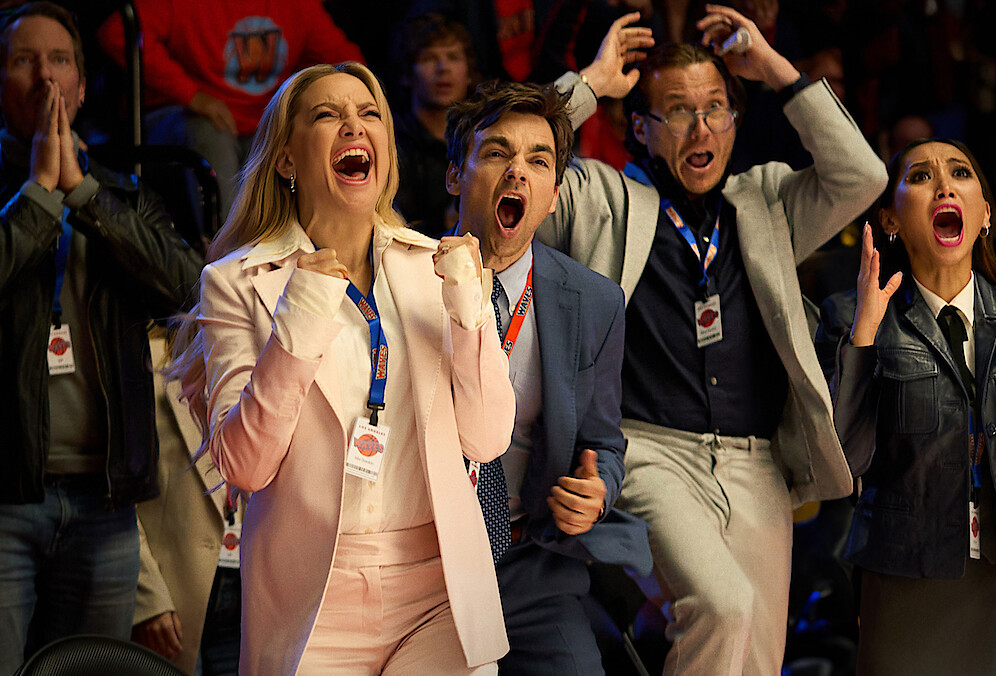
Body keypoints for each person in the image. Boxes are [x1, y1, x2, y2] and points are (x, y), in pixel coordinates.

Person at [539, 5, 888, 673]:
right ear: (639, 127)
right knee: (723, 607)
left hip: (757, 463)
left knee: (755, 650)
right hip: (649, 453)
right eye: (677, 112)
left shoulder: (766, 203)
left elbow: (862, 177)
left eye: (717, 109)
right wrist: (587, 82)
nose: (702, 128)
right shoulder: (600, 197)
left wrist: (776, 70)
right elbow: (503, 166)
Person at [170, 61, 515, 675]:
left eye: (369, 114)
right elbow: (245, 467)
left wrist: (470, 313)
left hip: (438, 592)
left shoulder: (438, 266)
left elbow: (486, 440)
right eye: (327, 115)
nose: (354, 127)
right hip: (311, 600)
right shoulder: (234, 282)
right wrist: (299, 320)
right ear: (286, 160)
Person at [818, 138, 996, 675]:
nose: (945, 185)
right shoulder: (851, 317)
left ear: (985, 215)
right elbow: (845, 462)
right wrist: (861, 337)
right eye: (921, 177)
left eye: (960, 173)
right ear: (891, 220)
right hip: (906, 579)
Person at [0, 3, 203, 670]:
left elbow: (189, 293)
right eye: (24, 59)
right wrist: (37, 192)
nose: (44, 77)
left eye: (59, 60)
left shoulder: (124, 194)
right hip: (7, 500)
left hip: (105, 506)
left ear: (83, 87)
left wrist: (82, 193)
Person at [444, 74, 653, 674]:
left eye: (538, 161)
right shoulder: (403, 285)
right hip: (424, 562)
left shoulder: (594, 301)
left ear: (554, 193)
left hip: (531, 559)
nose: (518, 172)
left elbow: (603, 441)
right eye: (497, 154)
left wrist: (597, 491)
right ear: (455, 175)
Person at [96, 0, 365, 223]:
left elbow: (347, 63)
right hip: (181, 116)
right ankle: (229, 255)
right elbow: (117, 34)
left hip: (258, 124)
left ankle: (365, 241)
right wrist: (192, 95)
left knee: (321, 131)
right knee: (209, 129)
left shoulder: (296, 6)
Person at [132, 330, 240, 674]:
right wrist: (147, 598)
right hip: (174, 602)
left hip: (250, 598)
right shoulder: (146, 361)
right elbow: (118, 495)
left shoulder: (271, 362)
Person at [392, 13, 477, 237]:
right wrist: (446, 220)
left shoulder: (481, 138)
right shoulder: (391, 143)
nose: (443, 68)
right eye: (429, 58)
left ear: (469, 73)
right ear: (407, 74)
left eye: (453, 57)